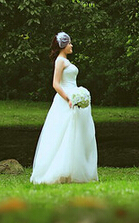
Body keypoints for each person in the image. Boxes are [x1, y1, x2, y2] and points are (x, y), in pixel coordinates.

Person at [30, 32, 98, 184]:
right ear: (63, 45)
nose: (71, 45)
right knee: (65, 133)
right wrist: (68, 98)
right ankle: (60, 171)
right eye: (69, 43)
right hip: (65, 99)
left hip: (73, 95)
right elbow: (56, 83)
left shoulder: (65, 61)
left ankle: (74, 171)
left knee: (76, 133)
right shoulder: (60, 61)